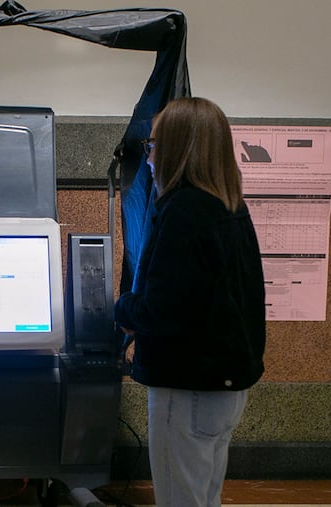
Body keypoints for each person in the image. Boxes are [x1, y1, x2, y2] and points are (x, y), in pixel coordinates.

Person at [114, 97, 266, 507]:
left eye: (153, 145)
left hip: (186, 388)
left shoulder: (183, 212)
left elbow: (160, 312)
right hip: (226, 388)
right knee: (203, 498)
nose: (148, 158)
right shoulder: (231, 207)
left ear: (176, 149)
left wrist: (121, 309)